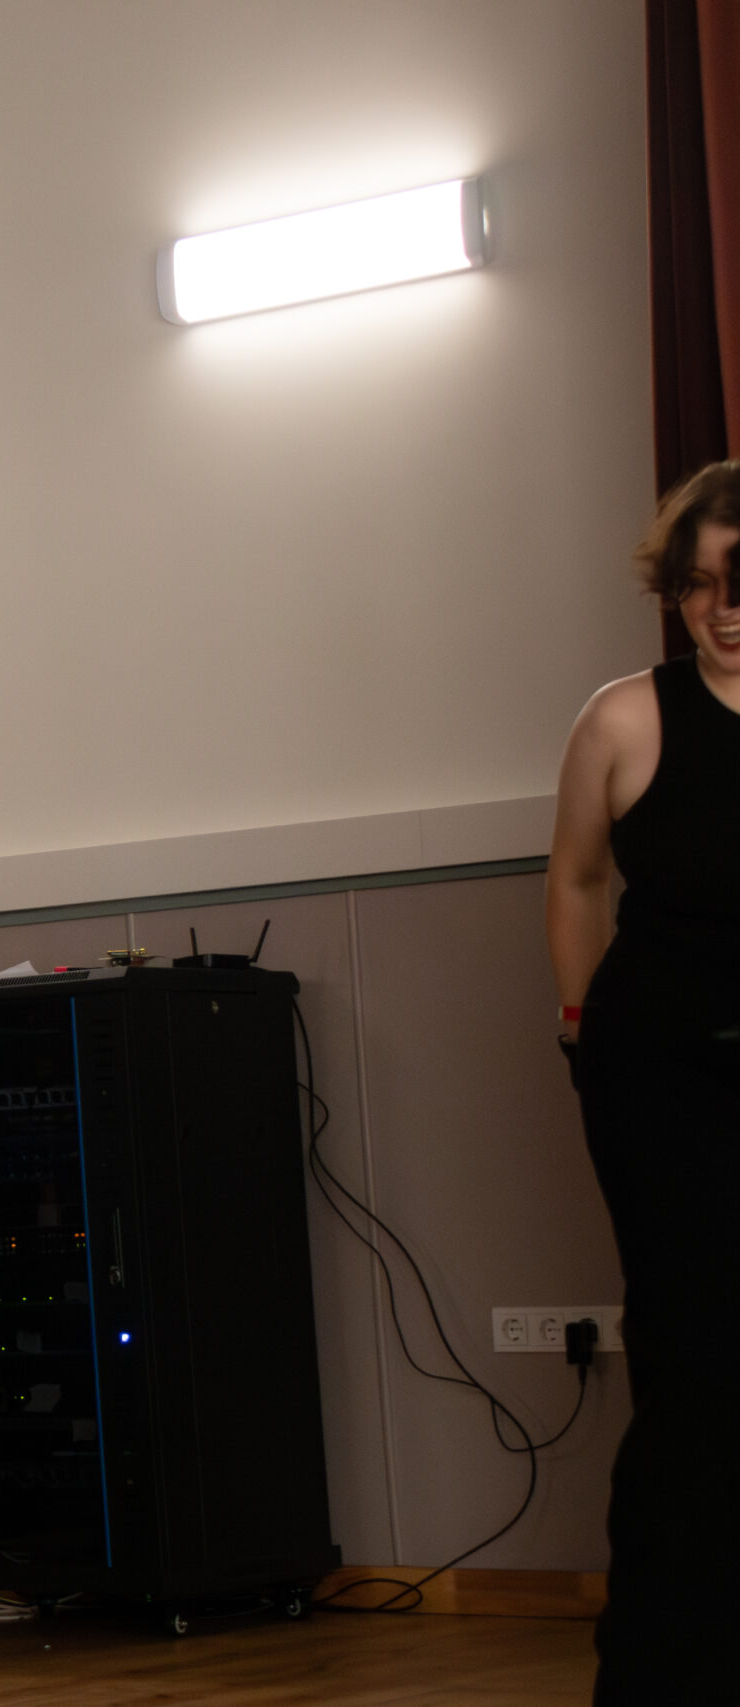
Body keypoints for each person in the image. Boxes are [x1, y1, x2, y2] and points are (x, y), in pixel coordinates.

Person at [548, 461, 740, 1706]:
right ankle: (663, 1674)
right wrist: (580, 1034)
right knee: (695, 1363)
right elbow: (575, 882)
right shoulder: (624, 719)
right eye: (698, 584)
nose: (722, 608)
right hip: (660, 1074)